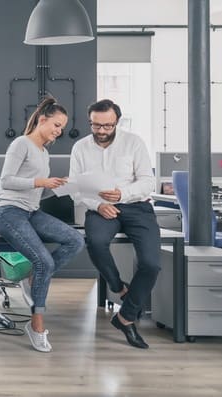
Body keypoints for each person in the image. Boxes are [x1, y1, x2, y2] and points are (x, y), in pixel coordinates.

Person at [0, 96, 85, 353]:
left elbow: (35, 191)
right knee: (45, 261)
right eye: (56, 125)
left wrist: (59, 186)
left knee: (76, 240)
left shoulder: (44, 152)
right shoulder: (21, 143)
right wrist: (42, 182)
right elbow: (7, 180)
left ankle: (32, 276)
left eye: (62, 127)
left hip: (30, 211)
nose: (59, 131)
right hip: (7, 210)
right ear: (42, 120)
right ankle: (37, 325)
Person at [69, 99, 158, 349]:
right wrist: (97, 205)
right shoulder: (81, 147)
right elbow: (75, 188)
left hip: (136, 206)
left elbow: (147, 181)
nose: (101, 131)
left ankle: (125, 317)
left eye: (107, 126)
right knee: (95, 242)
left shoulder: (134, 143)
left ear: (116, 122)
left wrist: (122, 194)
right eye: (96, 125)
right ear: (90, 122)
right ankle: (119, 288)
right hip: (99, 207)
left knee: (151, 264)